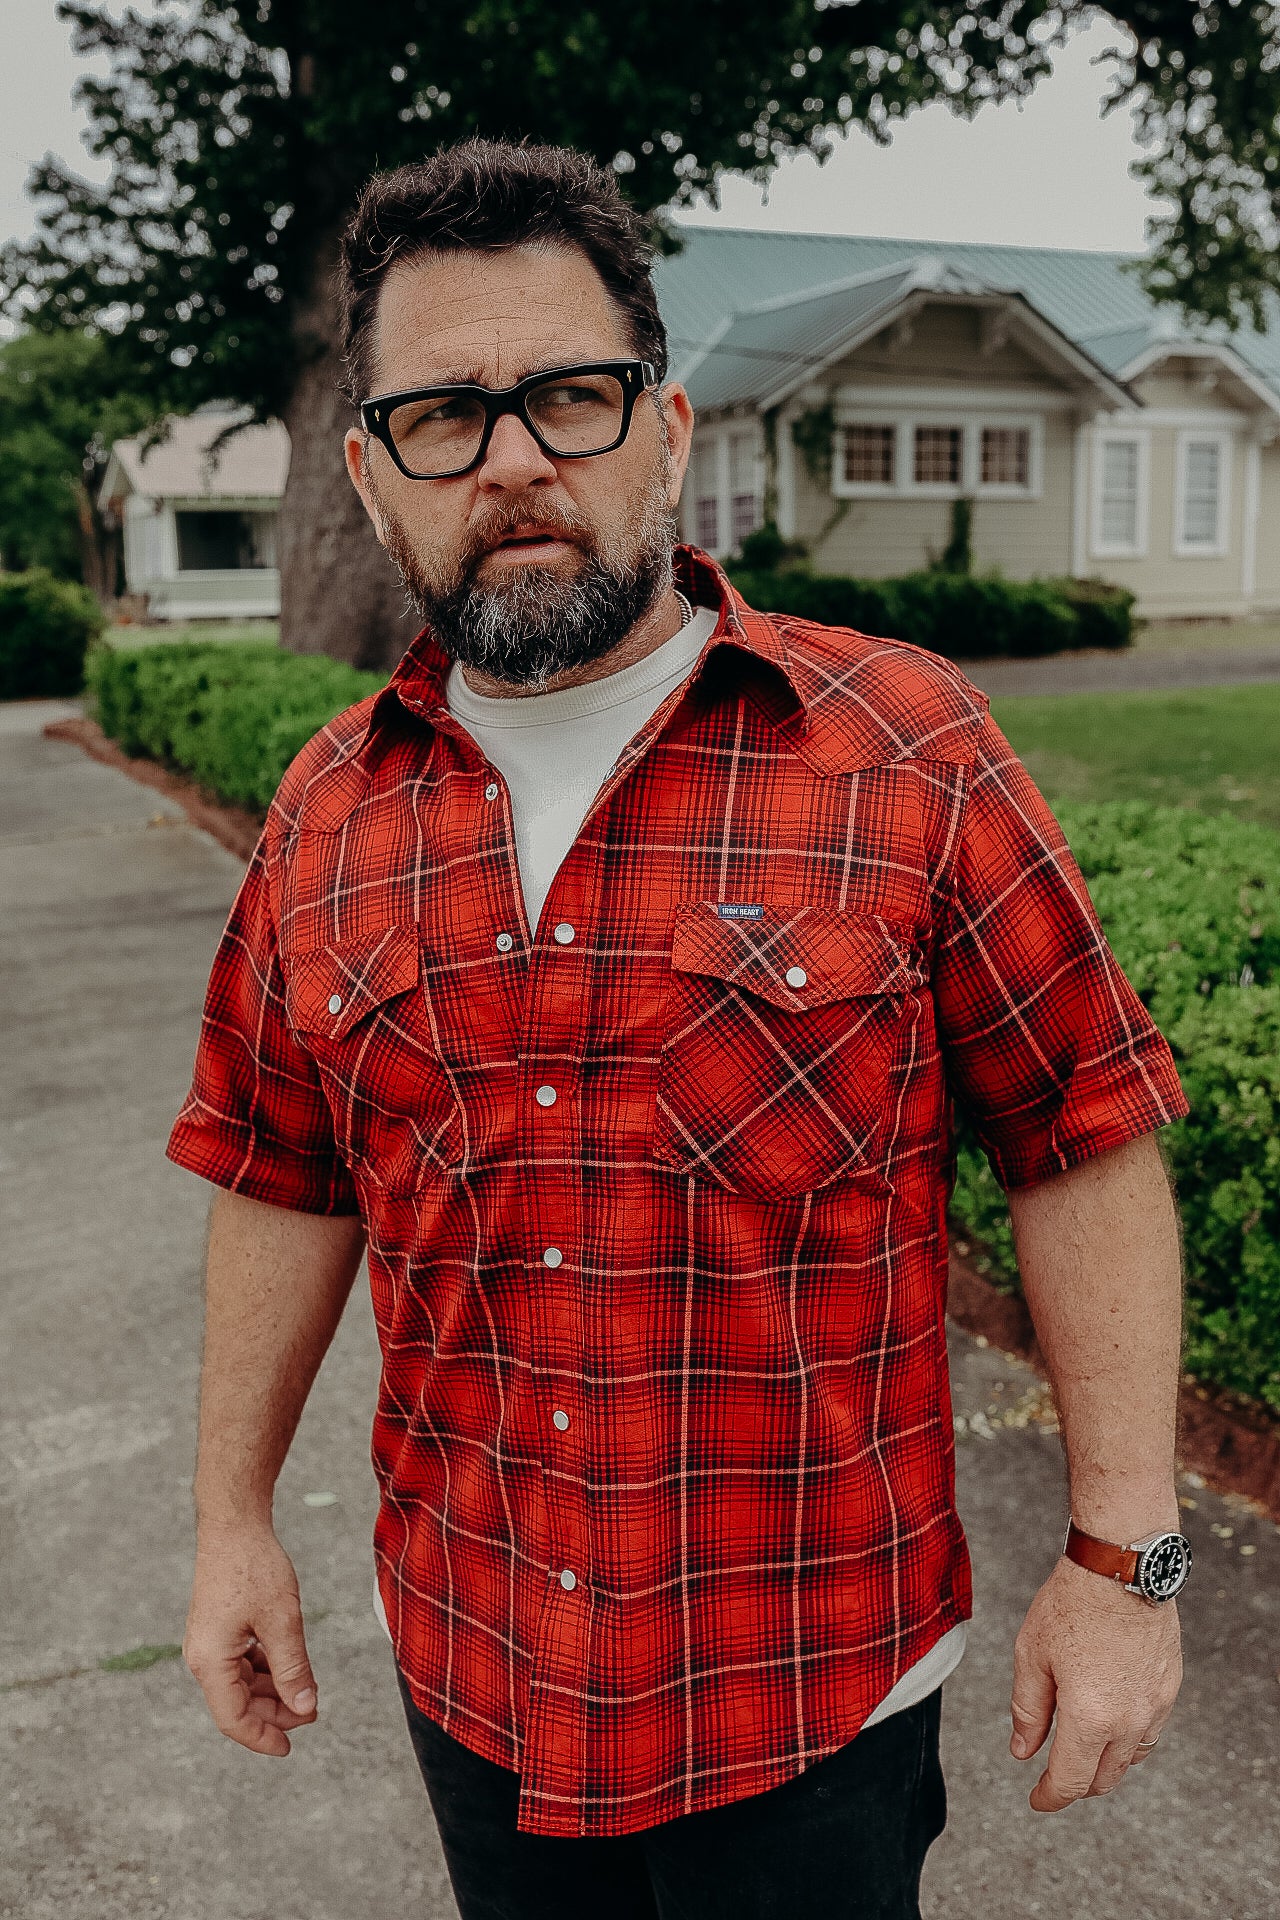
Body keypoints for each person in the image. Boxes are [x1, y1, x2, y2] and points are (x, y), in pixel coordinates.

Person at [173, 139, 1191, 1919]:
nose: (513, 460)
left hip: (814, 1700)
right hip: (476, 1673)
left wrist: (1125, 1557)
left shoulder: (905, 747)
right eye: (443, 419)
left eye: (570, 395)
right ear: (369, 473)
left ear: (668, 425)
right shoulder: (325, 815)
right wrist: (227, 1520)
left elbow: (1082, 1131)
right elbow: (279, 1173)